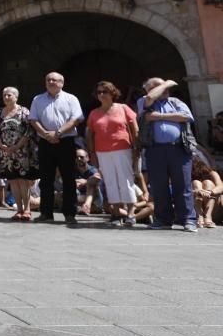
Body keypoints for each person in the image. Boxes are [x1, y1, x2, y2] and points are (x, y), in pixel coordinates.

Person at [137, 78, 198, 232]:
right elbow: (150, 99)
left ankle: (188, 220)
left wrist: (159, 116)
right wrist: (167, 83)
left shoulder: (176, 102)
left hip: (179, 149)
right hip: (155, 149)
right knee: (158, 186)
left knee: (183, 185)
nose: (165, 90)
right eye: (159, 87)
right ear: (148, 89)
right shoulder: (144, 100)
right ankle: (163, 220)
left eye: (166, 87)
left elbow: (186, 117)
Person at [28, 72, 84, 225]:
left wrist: (58, 132)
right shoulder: (37, 99)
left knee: (68, 178)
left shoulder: (71, 99)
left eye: (54, 80)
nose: (51, 82)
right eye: (48, 80)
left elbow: (76, 119)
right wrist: (46, 133)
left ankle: (70, 213)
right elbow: (33, 119)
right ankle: (46, 213)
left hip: (66, 141)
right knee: (46, 179)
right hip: (45, 142)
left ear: (62, 82)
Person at [86, 81, 139, 227]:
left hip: (123, 149)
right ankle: (116, 213)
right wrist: (92, 154)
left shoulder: (123, 108)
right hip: (102, 152)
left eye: (105, 91)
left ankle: (130, 213)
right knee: (110, 181)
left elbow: (135, 129)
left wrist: (136, 149)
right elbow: (89, 135)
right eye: (99, 92)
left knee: (126, 180)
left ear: (112, 93)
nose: (102, 94)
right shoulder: (94, 113)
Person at [0, 87, 37, 221]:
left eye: (9, 95)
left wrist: (17, 146)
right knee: (12, 181)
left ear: (16, 97)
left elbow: (29, 131)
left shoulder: (24, 112)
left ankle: (27, 209)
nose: (6, 97)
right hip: (6, 153)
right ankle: (19, 209)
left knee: (23, 181)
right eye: (4, 95)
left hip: (21, 152)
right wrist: (1, 144)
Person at [192, 159, 221, 228]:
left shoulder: (212, 173)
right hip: (196, 207)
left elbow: (221, 186)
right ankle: (200, 216)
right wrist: (197, 191)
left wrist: (210, 192)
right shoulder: (186, 175)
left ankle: (208, 216)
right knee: (196, 182)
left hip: (214, 207)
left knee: (208, 182)